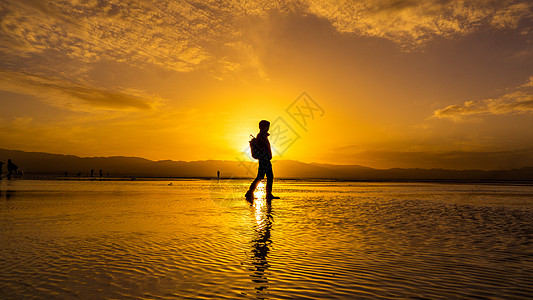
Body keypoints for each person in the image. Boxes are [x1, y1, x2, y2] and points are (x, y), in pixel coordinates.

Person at [245, 120, 280, 201]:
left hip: (265, 160)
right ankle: (250, 192)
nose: (268, 128)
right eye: (267, 126)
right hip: (264, 160)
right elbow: (262, 147)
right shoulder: (261, 136)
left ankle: (267, 194)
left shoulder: (262, 136)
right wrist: (265, 155)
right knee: (262, 177)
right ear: (264, 127)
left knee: (268, 177)